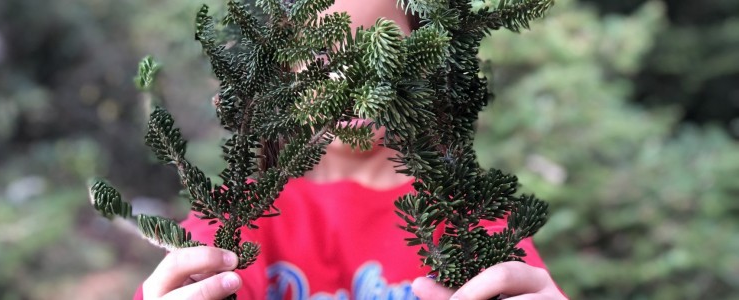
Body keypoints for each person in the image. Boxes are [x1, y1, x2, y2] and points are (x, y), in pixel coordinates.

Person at [135, 0, 565, 299]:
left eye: (376, 47)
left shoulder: (468, 220)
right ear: (280, 70)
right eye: (321, 54)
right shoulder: (237, 221)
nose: (347, 82)